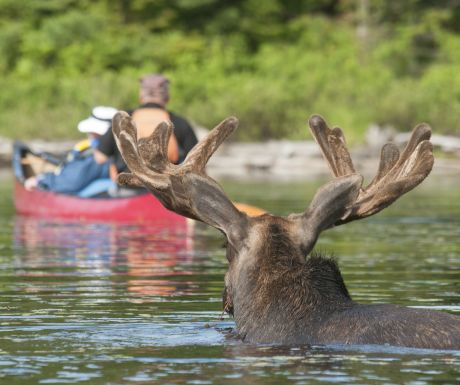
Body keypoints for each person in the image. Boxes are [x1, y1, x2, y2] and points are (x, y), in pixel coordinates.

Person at [94, 73, 198, 177]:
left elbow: (100, 158)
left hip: (128, 188)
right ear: (167, 97)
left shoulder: (124, 119)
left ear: (141, 96)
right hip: (166, 189)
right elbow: (196, 163)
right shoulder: (179, 122)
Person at [24, 106, 118, 196]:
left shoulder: (97, 156)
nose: (89, 133)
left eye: (92, 131)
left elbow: (72, 181)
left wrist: (40, 180)